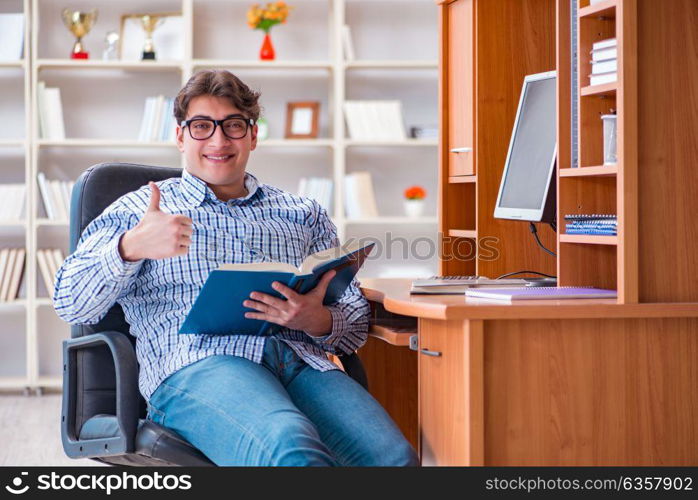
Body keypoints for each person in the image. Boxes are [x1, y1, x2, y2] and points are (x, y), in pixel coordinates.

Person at [54, 69, 418, 467]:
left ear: (253, 135)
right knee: (291, 449)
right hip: (198, 365)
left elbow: (353, 317)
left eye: (233, 126)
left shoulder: (301, 213)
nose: (219, 140)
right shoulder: (140, 211)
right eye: (202, 126)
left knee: (394, 459)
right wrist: (130, 248)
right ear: (180, 137)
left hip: (299, 359)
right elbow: (70, 303)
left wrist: (320, 319)